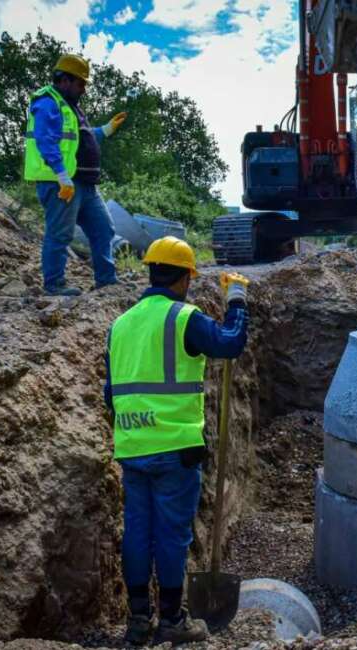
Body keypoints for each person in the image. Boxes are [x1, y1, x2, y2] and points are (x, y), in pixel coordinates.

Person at [103, 236, 250, 645]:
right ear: (186, 277)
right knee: (171, 535)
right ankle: (171, 618)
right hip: (176, 450)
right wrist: (236, 297)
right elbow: (231, 343)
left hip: (132, 447)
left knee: (136, 533)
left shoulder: (120, 325)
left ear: (151, 270)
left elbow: (108, 393)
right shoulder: (184, 318)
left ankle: (137, 619)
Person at [23, 54, 129, 296]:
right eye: (80, 83)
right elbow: (45, 140)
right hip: (62, 183)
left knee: (103, 229)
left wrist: (106, 130)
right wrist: (61, 176)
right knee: (60, 234)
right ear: (65, 80)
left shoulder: (71, 106)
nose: (83, 89)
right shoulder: (48, 102)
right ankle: (54, 285)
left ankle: (106, 280)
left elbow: (81, 137)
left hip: (86, 185)